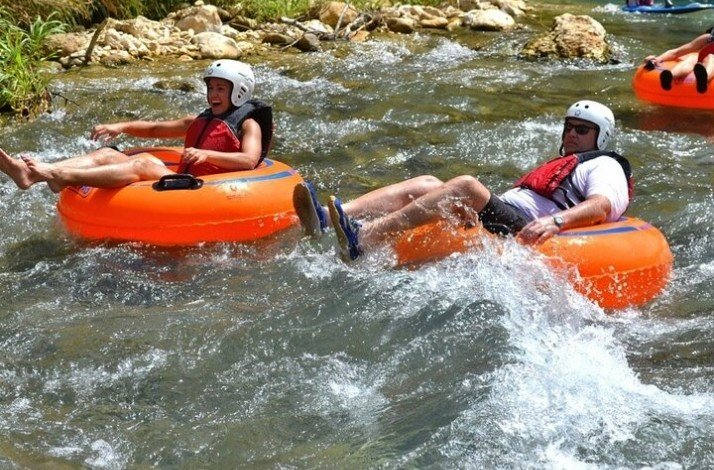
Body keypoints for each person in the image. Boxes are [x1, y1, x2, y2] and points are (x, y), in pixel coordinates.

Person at [293, 100, 633, 262]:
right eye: (569, 127)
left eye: (582, 129)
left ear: (600, 137)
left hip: (527, 227)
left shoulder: (605, 165)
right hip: (508, 215)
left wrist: (557, 221)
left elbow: (602, 205)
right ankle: (326, 218)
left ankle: (364, 240)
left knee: (466, 186)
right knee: (428, 182)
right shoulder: (567, 162)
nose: (572, 134)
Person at [0, 60, 273, 193]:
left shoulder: (248, 124)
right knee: (107, 154)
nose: (213, 94)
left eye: (221, 89)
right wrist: (120, 126)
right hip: (183, 180)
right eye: (211, 88)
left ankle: (57, 175)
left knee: (142, 163)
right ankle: (33, 174)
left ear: (239, 91)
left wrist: (207, 155)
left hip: (208, 187)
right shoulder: (200, 119)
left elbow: (249, 159)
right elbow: (155, 128)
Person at [644, 27, 714, 94]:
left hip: (710, 64)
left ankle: (704, 80)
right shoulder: (708, 38)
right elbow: (676, 52)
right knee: (692, 58)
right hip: (702, 65)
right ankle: (670, 76)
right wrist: (658, 59)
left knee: (711, 57)